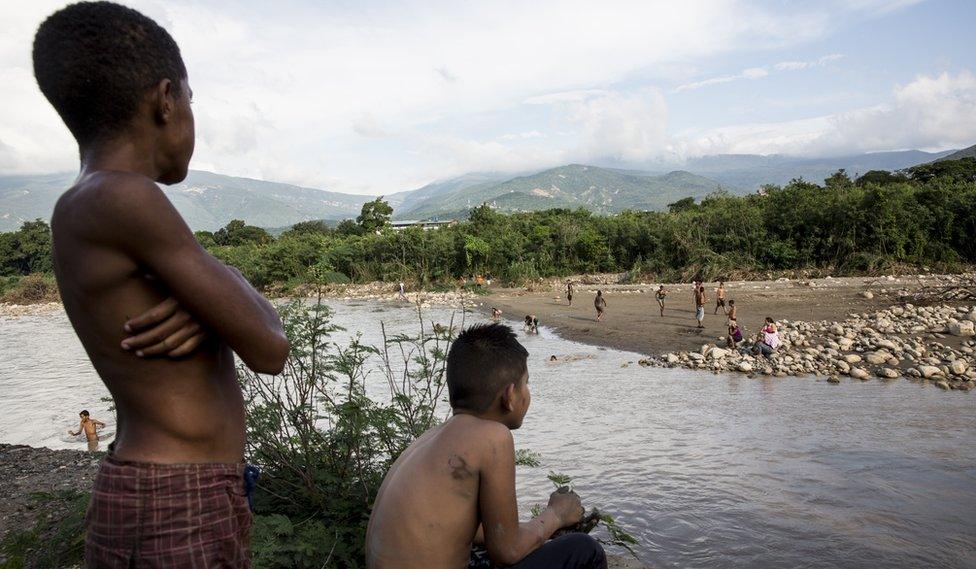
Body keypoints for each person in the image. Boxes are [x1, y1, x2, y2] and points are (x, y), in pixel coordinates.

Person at [34, 3, 290, 565]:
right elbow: (271, 346)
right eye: (191, 100)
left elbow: (238, 310)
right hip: (176, 501)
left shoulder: (93, 199)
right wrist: (225, 293)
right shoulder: (124, 197)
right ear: (166, 98)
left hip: (175, 491)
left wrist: (218, 294)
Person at [366, 324, 606, 569]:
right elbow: (507, 551)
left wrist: (534, 528)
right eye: (526, 383)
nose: (528, 392)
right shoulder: (493, 437)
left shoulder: (429, 439)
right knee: (585, 550)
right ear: (510, 396)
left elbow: (465, 528)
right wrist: (556, 515)